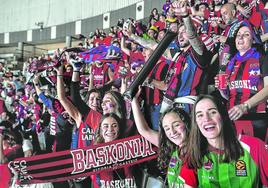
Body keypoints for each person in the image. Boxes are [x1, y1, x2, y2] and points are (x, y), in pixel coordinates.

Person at [179, 94, 268, 187]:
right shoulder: (193, 154)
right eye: (200, 115)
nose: (206, 119)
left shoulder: (254, 146)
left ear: (223, 116)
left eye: (212, 112)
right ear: (196, 123)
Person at [215, 23, 268, 141]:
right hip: (233, 118)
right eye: (238, 35)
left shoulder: (263, 58)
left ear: (253, 39)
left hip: (256, 118)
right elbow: (227, 95)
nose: (240, 37)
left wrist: (245, 106)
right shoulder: (230, 63)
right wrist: (221, 88)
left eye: (246, 34)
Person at [131, 88, 191, 187]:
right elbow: (144, 130)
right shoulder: (171, 146)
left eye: (176, 125)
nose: (172, 132)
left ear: (186, 123)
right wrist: (134, 101)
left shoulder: (200, 149)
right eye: (167, 128)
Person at [93, 113, 136, 188]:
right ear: (100, 129)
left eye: (114, 125)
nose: (110, 129)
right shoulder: (93, 152)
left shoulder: (128, 148)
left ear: (119, 129)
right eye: (106, 126)